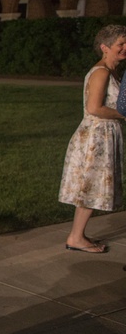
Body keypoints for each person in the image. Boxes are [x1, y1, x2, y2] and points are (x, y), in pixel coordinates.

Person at [59, 24, 126, 253]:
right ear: (104, 48)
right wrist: (123, 114)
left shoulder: (112, 71)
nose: (125, 48)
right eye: (121, 44)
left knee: (90, 188)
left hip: (104, 135)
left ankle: (77, 236)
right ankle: (76, 238)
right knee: (89, 188)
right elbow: (94, 108)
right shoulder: (101, 72)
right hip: (96, 137)